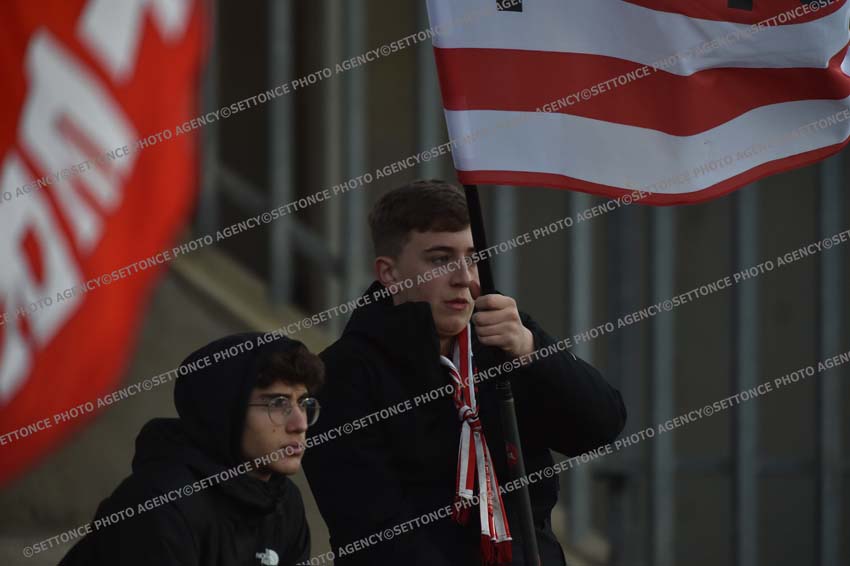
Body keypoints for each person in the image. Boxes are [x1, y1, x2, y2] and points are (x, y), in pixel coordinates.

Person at [302, 180, 627, 565]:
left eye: (473, 259)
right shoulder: (342, 374)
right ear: (389, 273)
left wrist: (532, 351)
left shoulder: (507, 340)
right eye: (441, 259)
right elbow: (374, 531)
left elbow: (602, 427)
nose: (465, 279)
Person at [59, 333, 324, 566]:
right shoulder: (161, 504)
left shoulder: (284, 502)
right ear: (225, 413)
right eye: (278, 404)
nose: (300, 424)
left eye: (304, 404)